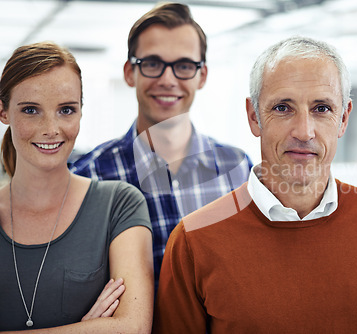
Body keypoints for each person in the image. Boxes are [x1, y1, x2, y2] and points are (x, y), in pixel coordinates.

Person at [153, 36, 357, 333]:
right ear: (254, 116)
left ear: (344, 118)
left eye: (322, 108)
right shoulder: (194, 239)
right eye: (283, 108)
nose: (304, 131)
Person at [70, 2, 252, 289]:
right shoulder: (86, 177)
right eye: (153, 64)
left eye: (183, 66)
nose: (168, 80)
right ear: (130, 72)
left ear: (201, 76)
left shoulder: (239, 171)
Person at [0, 42, 153, 332]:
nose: (51, 128)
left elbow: (134, 327)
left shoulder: (119, 204)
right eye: (31, 109)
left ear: (81, 111)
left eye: (66, 110)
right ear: (4, 111)